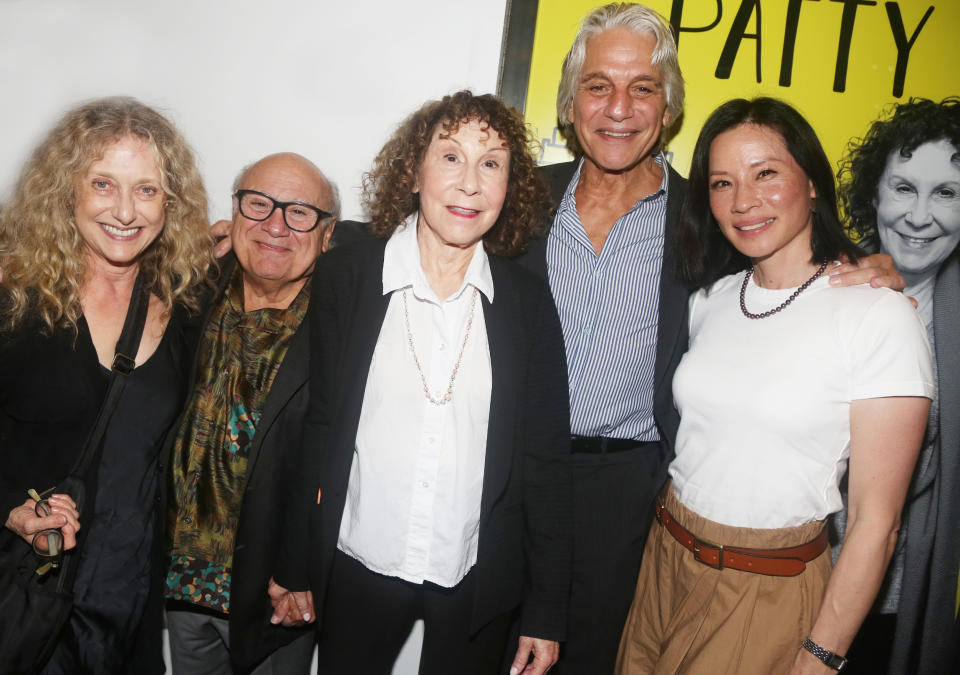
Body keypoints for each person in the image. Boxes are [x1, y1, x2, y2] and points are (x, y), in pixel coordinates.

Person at [515, 4, 903, 672]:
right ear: (569, 100)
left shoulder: (711, 219)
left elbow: (789, 264)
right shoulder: (517, 203)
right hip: (509, 478)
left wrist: (868, 262)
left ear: (668, 108)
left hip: (629, 496)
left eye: (643, 88)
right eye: (598, 85)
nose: (618, 107)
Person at [615, 97, 933, 674]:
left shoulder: (878, 316)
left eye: (766, 173)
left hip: (764, 586)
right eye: (721, 182)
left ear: (811, 182)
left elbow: (876, 525)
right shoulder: (710, 300)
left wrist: (821, 658)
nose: (743, 201)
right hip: (664, 559)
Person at [269, 90, 571, 675]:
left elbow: (546, 464)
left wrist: (546, 612)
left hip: (474, 572)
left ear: (510, 188)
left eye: (492, 164)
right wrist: (294, 562)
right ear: (414, 170)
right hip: (358, 558)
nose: (470, 184)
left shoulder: (527, 303)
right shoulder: (347, 275)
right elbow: (318, 425)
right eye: (451, 157)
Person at [0, 96, 212, 673]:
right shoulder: (15, 300)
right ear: (65, 189)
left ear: (171, 202)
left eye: (146, 189)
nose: (125, 211)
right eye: (103, 184)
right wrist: (11, 510)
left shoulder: (186, 304)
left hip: (130, 603)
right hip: (32, 592)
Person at [163, 153, 339, 674]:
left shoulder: (343, 325)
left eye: (300, 212)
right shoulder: (187, 293)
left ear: (328, 235)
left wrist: (300, 566)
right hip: (179, 583)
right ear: (234, 213)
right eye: (258, 204)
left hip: (274, 594)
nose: (275, 225)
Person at [835, 96, 960, 675]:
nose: (919, 216)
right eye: (905, 188)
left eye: (947, 194)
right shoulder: (821, 282)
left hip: (895, 605)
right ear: (875, 193)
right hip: (789, 583)